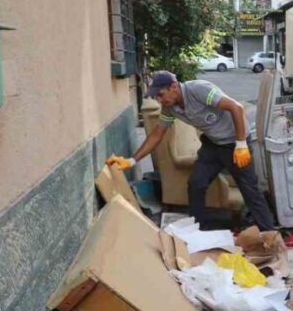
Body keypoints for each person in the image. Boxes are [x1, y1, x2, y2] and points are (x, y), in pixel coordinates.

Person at [106, 71, 276, 231]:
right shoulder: (170, 107)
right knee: (196, 184)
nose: (159, 100)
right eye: (156, 96)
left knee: (249, 190)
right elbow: (156, 135)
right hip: (212, 145)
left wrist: (241, 145)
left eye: (161, 94)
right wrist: (131, 161)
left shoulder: (199, 90)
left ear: (173, 86)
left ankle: (269, 235)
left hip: (236, 144)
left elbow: (236, 108)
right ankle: (199, 230)